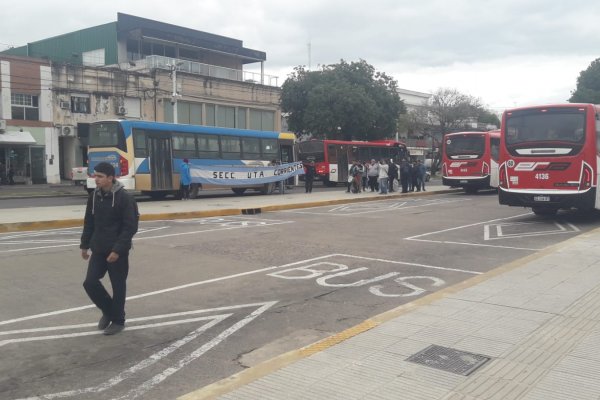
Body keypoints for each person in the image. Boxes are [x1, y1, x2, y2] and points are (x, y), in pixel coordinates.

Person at [80, 162, 139, 336]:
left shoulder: (125, 198)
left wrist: (118, 250)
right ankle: (109, 310)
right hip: (98, 247)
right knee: (90, 282)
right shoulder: (94, 197)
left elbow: (130, 227)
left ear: (110, 178)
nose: (95, 179)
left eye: (99, 176)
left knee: (118, 285)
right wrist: (84, 245)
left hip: (117, 251)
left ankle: (118, 321)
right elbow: (88, 222)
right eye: (95, 175)